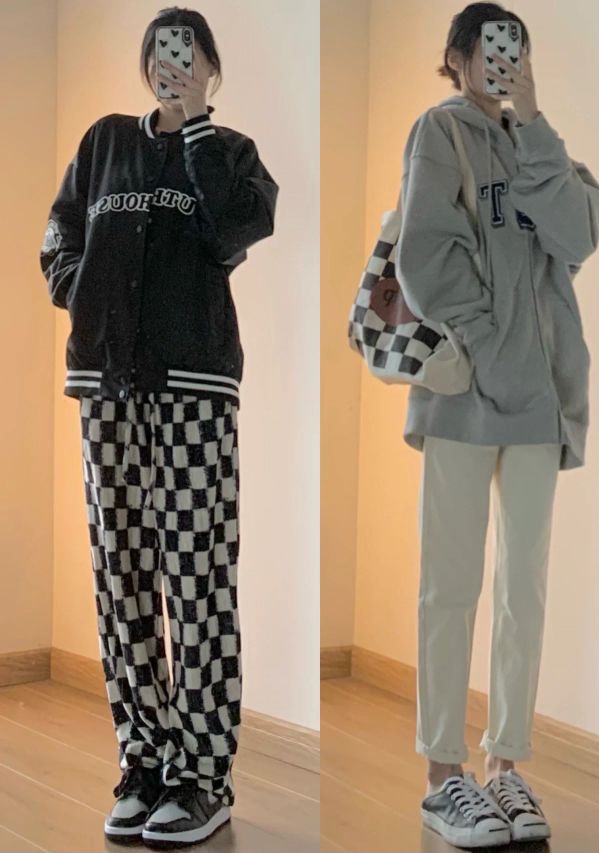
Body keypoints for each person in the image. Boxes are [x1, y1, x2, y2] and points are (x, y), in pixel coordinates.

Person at [39, 6, 278, 847]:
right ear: (145, 65)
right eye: (162, 52)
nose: (173, 64)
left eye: (189, 53)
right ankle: (143, 761)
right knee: (123, 577)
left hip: (194, 389)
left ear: (210, 65)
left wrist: (199, 124)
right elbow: (59, 235)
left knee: (197, 577)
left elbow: (233, 230)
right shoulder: (105, 142)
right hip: (107, 386)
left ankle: (202, 775)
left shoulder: (232, 153)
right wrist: (84, 292)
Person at [395, 2, 599, 848]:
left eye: (514, 51)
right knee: (448, 586)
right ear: (456, 56)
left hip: (537, 403)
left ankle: (507, 766)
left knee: (525, 590)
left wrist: (534, 117)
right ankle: (442, 774)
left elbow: (578, 233)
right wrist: (487, 344)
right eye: (487, 48)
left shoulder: (540, 146)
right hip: (463, 393)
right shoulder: (440, 132)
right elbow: (424, 255)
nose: (500, 62)